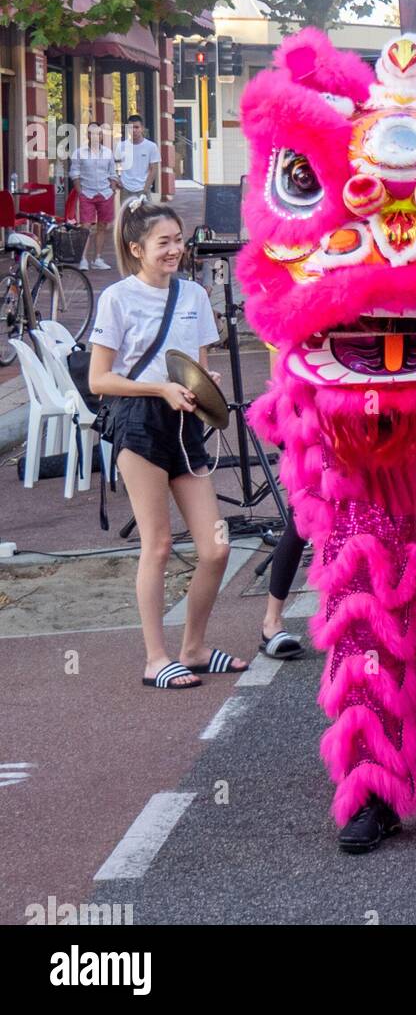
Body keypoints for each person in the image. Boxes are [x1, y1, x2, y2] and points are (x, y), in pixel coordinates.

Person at [88, 198, 248, 688]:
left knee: (217, 546)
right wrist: (158, 387)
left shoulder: (195, 296)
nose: (176, 249)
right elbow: (99, 380)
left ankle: (194, 647)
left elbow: (193, 368)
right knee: (156, 545)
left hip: (186, 420)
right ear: (137, 249)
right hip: (139, 422)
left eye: (179, 240)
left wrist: (206, 384)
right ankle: (156, 658)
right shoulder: (117, 298)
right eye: (165, 243)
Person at [69, 121, 118, 272]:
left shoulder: (108, 153)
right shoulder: (79, 153)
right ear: (88, 135)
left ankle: (98, 258)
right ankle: (83, 259)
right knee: (85, 227)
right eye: (92, 133)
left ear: (102, 136)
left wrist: (113, 189)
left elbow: (112, 173)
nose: (95, 136)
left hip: (105, 193)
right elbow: (74, 173)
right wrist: (80, 191)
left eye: (98, 133)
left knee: (102, 226)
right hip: (87, 193)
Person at [115, 114, 161, 200]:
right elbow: (115, 165)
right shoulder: (121, 146)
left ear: (142, 128)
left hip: (143, 189)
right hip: (126, 189)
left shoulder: (151, 146)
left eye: (137, 127)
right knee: (126, 214)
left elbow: (154, 169)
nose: (134, 130)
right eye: (131, 127)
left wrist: (146, 188)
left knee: (145, 213)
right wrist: (118, 179)